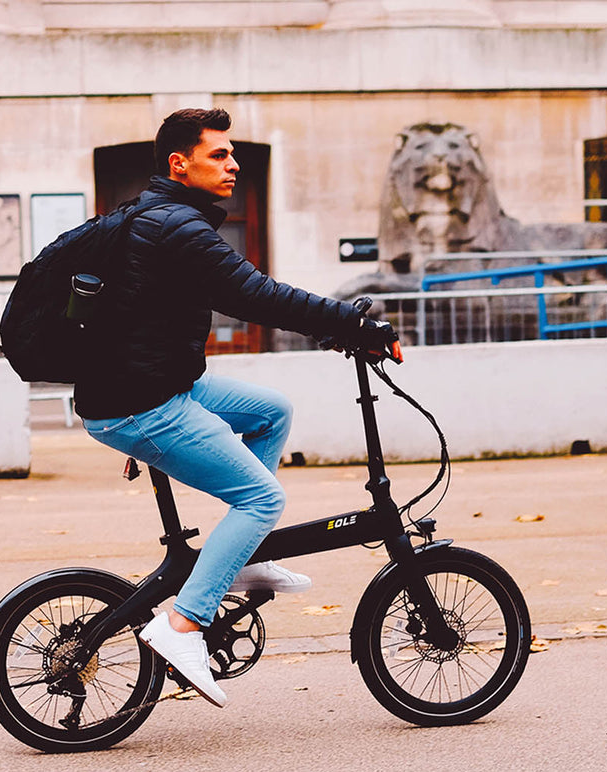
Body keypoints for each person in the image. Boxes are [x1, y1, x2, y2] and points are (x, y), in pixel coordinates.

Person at [75, 108, 396, 707]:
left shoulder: (165, 218)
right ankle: (183, 624)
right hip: (140, 402)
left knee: (270, 410)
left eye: (232, 153)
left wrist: (335, 329)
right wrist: (351, 320)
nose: (233, 163)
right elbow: (254, 295)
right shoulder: (177, 226)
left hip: (153, 385)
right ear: (180, 164)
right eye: (219, 155)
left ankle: (242, 560)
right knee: (262, 497)